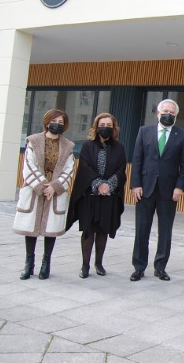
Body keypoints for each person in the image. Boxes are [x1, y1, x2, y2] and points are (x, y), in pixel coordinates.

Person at [130, 99, 184, 282]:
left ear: (176, 115)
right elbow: (137, 159)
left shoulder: (183, 135)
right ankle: (139, 267)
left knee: (165, 231)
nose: (168, 114)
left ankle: (160, 267)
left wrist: (180, 187)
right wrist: (135, 184)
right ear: (158, 113)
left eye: (172, 113)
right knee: (142, 229)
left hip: (169, 191)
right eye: (165, 111)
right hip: (145, 189)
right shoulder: (144, 131)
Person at [13, 109, 75, 280]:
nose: (57, 124)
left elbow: (69, 170)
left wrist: (54, 187)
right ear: (47, 122)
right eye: (54, 121)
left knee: (51, 229)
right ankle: (29, 262)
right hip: (34, 190)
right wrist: (42, 186)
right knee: (31, 228)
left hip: (55, 192)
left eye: (61, 122)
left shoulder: (68, 146)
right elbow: (28, 166)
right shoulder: (33, 141)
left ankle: (46, 262)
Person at [66, 113, 127, 279]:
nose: (105, 127)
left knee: (102, 231)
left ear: (113, 128)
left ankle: (99, 263)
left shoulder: (119, 147)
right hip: (90, 196)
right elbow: (84, 167)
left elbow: (121, 170)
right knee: (88, 231)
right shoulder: (87, 146)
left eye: (109, 125)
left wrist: (109, 185)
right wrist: (98, 184)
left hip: (109, 196)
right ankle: (85, 265)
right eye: (102, 124)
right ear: (96, 127)